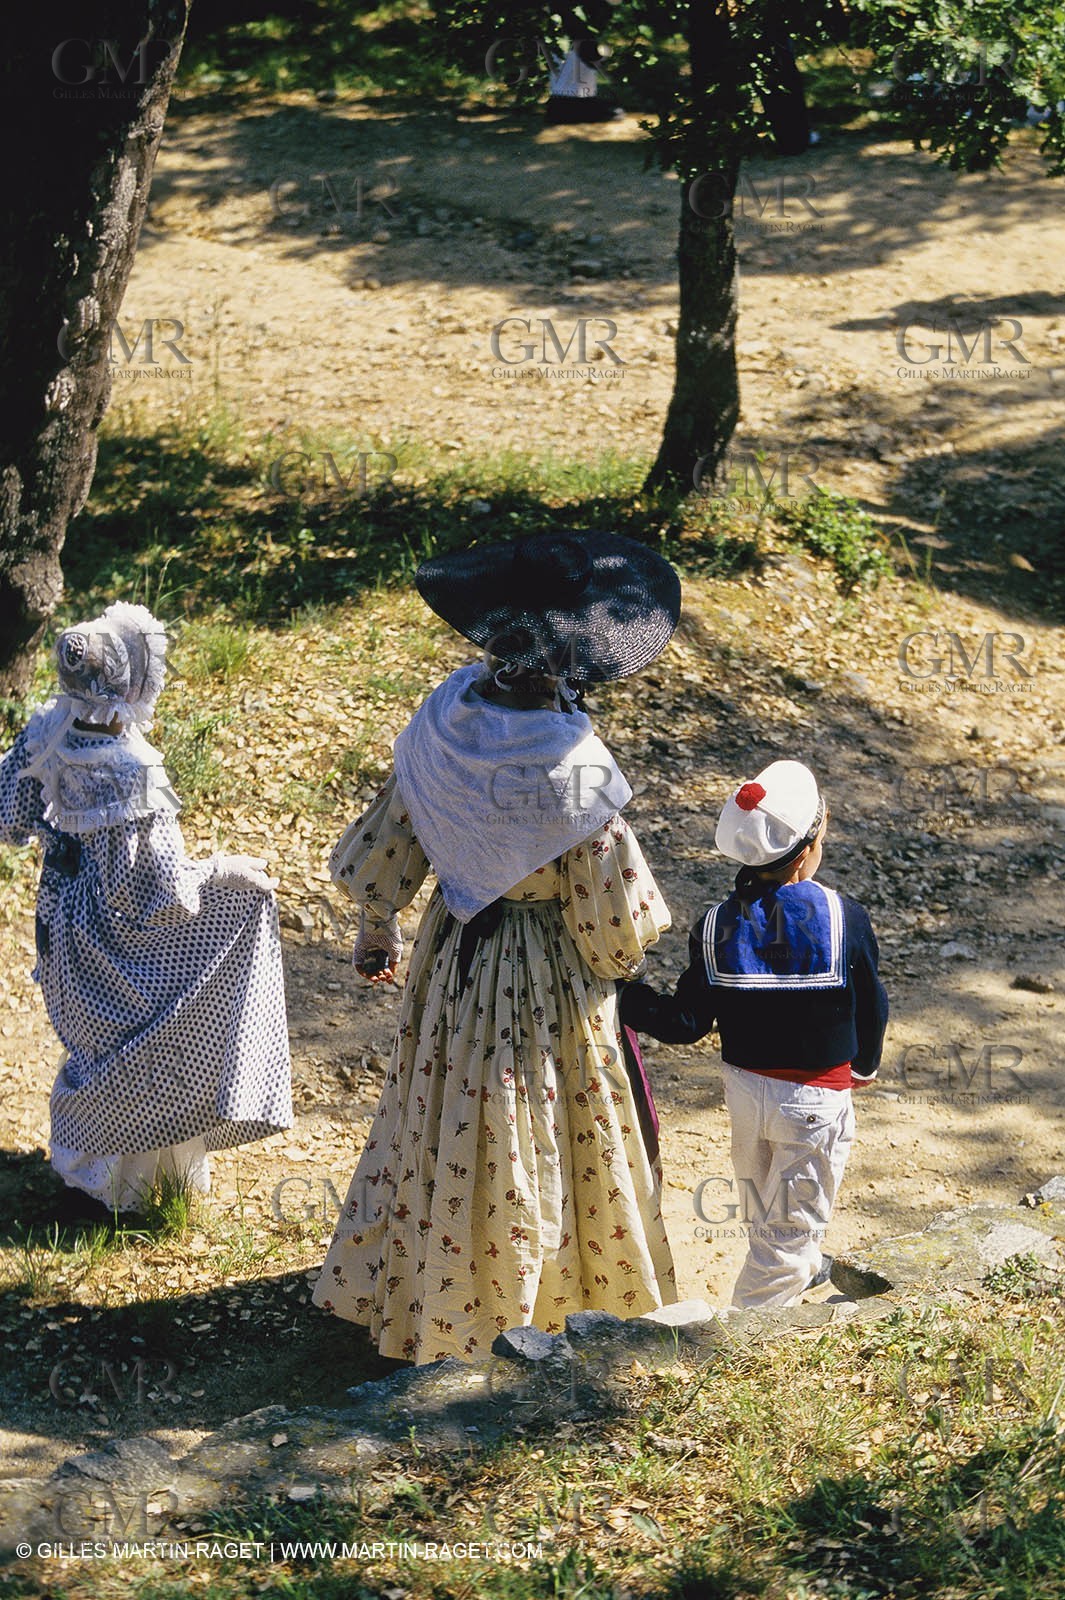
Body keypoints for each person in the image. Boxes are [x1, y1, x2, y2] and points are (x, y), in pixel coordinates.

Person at [313, 532, 682, 1363]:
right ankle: (529, 1312)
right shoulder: (572, 765)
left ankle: (429, 1294)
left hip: (453, 954)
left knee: (444, 1118)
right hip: (543, 977)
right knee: (532, 1127)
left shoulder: (445, 713)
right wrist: (627, 972)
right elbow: (612, 927)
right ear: (573, 662)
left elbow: (393, 831)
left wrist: (381, 928)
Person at [0, 602, 293, 1214]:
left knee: (98, 1036)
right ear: (125, 684)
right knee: (163, 1017)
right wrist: (224, 870)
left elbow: (13, 819)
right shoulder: (132, 773)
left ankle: (93, 1166)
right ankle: (136, 1184)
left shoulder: (48, 732)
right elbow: (161, 895)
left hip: (64, 923)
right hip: (121, 931)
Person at [621, 760, 888, 1310]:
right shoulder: (843, 917)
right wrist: (862, 1066)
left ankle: (801, 1274)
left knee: (764, 1207)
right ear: (812, 842)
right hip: (815, 1098)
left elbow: (685, 1023)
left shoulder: (717, 925)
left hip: (743, 1092)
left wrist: (623, 996)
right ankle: (746, 1342)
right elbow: (871, 1007)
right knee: (787, 1235)